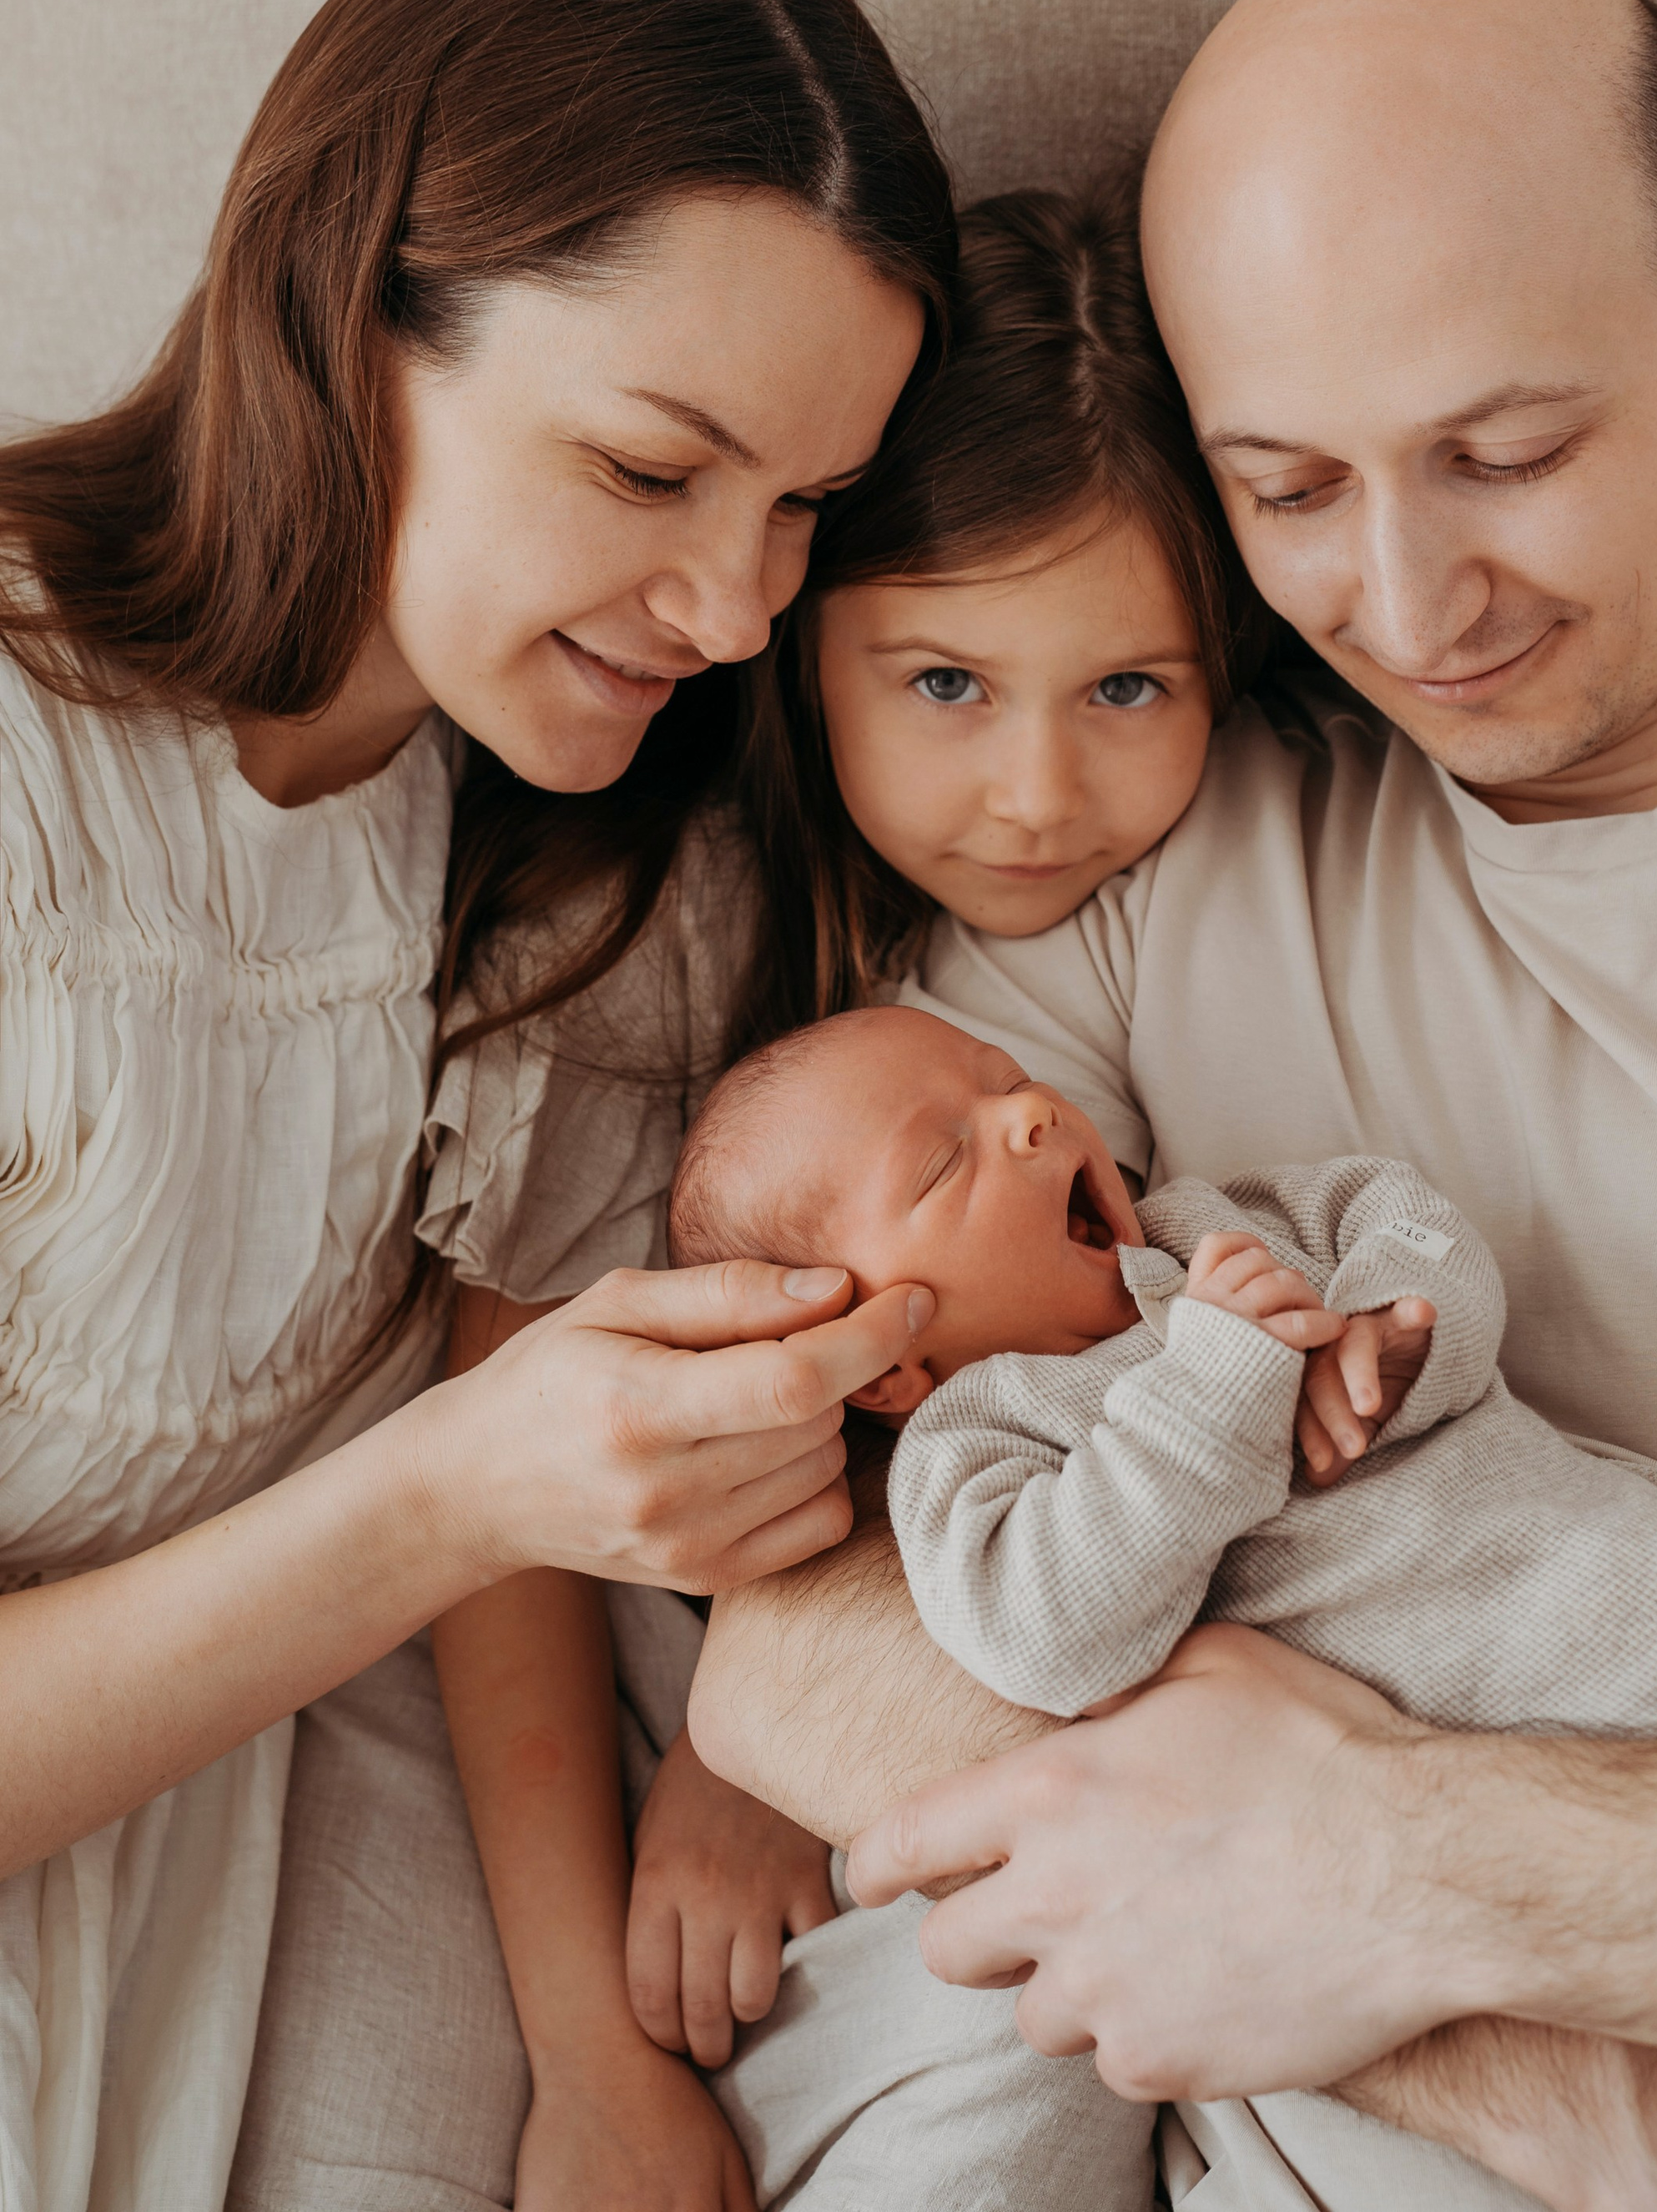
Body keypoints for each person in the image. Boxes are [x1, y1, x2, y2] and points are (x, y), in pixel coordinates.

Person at [691, 0, 1657, 2212]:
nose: (1410, 601)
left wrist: (1414, 1865)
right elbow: (795, 1641)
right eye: (1286, 490)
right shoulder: (1143, 861)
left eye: (1507, 451)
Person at [0, 0, 963, 2212]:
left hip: (198, 1854)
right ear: (350, 316)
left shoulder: (581, 835)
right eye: (651, 470)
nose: (739, 605)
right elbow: (484, 1463)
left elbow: (511, 1389)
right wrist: (457, 1486)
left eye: (805, 510)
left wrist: (592, 2060)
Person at [233, 180, 1252, 2209]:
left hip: (960, 1680)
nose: (1037, 795)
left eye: (1127, 688)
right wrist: (592, 2043)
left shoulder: (1209, 917)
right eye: (942, 684)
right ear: (797, 647)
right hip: (579, 1661)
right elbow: (497, 1484)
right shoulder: (663, 928)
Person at [673, 1003, 1657, 2207]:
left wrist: (1399, 1332)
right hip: (1525, 1730)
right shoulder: (977, 1445)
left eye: (1007, 1082)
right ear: (882, 1362)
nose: (1033, 1119)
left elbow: (1405, 1220)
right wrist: (1219, 1379)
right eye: (947, 1160)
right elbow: (1051, 1631)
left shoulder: (1220, 1222)